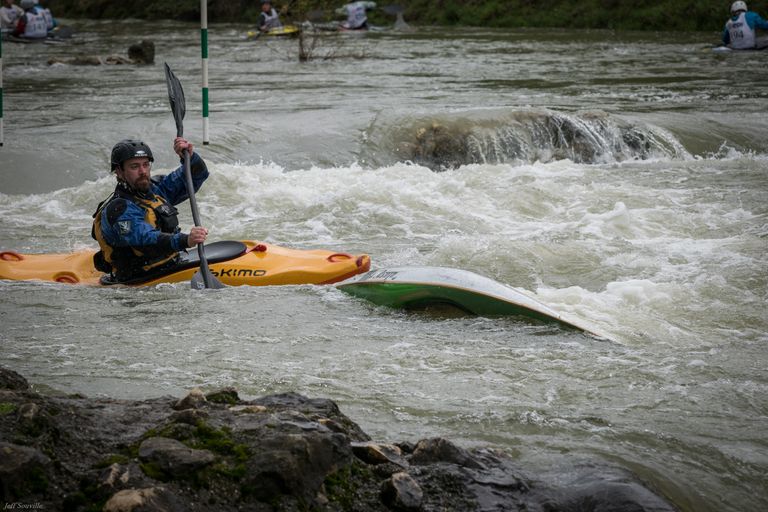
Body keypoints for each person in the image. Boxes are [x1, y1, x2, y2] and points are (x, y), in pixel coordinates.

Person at [91, 137, 210, 283]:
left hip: (170, 266)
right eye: (134, 167)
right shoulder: (119, 209)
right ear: (119, 171)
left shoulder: (155, 190)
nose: (143, 172)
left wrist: (188, 156)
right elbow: (145, 241)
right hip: (137, 281)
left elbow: (197, 174)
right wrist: (186, 240)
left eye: (146, 165)